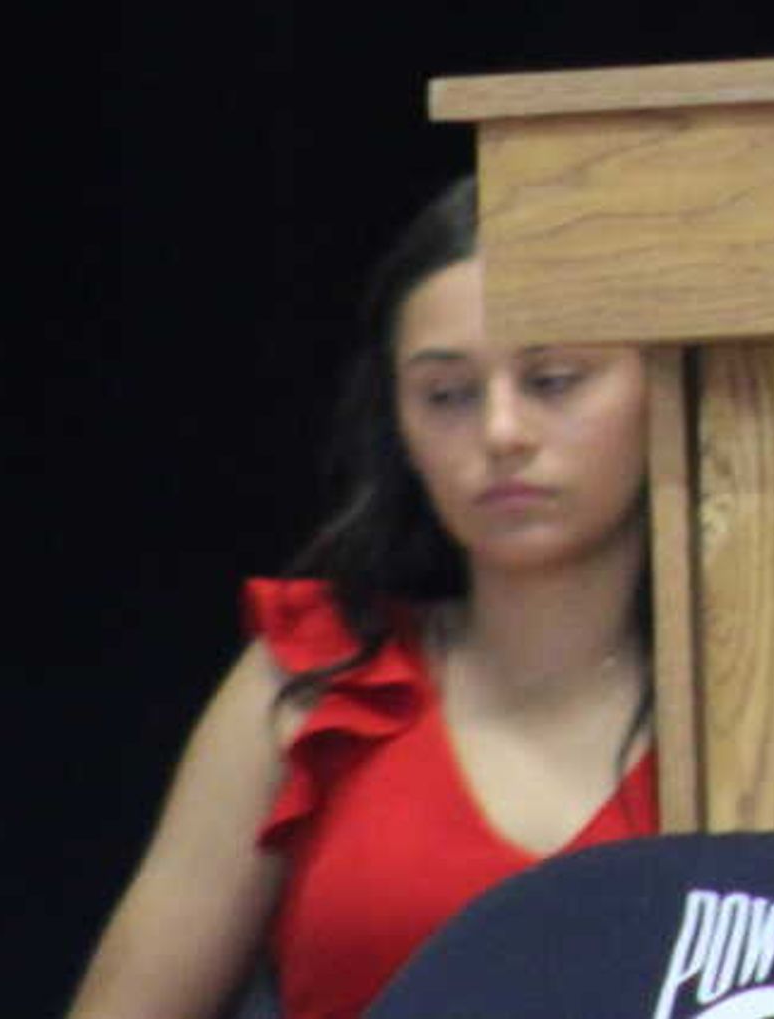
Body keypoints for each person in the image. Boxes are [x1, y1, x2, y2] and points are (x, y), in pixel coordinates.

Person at [68, 179, 658, 1019]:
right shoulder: (313, 676)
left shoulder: (748, 699)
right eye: (448, 394)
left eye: (554, 379)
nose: (501, 431)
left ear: (665, 387)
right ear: (398, 425)